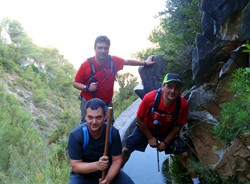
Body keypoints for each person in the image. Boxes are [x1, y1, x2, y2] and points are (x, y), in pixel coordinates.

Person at [121, 73, 201, 184]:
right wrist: (150, 137)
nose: (173, 91)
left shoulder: (182, 105)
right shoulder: (150, 98)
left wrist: (165, 142)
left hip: (167, 130)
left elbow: (179, 125)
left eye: (176, 88)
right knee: (126, 150)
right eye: (169, 86)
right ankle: (115, 174)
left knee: (184, 155)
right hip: (146, 128)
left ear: (180, 90)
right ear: (163, 86)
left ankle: (196, 181)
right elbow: (139, 118)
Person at [73, 35, 155, 122]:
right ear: (95, 48)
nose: (103, 51)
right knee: (86, 126)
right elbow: (75, 83)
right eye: (100, 48)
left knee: (108, 128)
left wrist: (145, 63)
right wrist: (87, 88)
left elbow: (127, 62)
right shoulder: (86, 65)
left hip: (106, 103)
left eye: (105, 48)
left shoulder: (113, 61)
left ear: (109, 49)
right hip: (89, 103)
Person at [68, 98, 134, 184]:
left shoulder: (112, 133)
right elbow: (76, 166)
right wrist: (97, 165)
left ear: (105, 116)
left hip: (108, 171)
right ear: (85, 116)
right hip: (83, 176)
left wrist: (107, 180)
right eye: (90, 117)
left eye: (98, 117)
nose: (94, 122)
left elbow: (117, 160)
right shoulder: (76, 135)